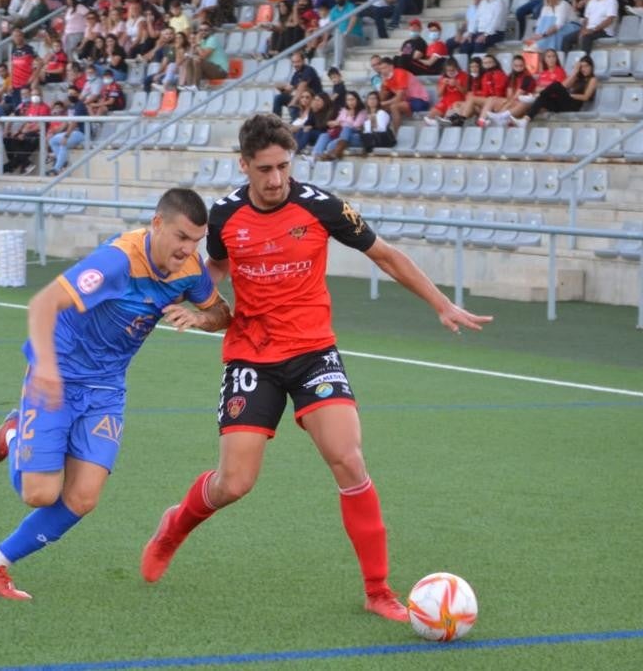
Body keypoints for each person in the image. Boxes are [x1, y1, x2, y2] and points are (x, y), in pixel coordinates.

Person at [138, 114, 492, 621]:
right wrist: (200, 309)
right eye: (265, 169)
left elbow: (386, 256)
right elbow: (211, 268)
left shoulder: (322, 206)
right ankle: (175, 526)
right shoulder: (224, 216)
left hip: (313, 353)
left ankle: (377, 591)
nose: (277, 179)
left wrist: (441, 303)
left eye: (284, 166)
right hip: (251, 355)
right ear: (244, 165)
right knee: (234, 484)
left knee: (348, 460)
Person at [0, 189, 232, 600]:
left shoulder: (191, 270)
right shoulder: (117, 261)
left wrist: (199, 317)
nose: (188, 249)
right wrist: (48, 370)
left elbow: (222, 314)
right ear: (157, 224)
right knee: (39, 494)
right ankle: (14, 433)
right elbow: (42, 304)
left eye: (196, 241)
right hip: (57, 372)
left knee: (83, 497)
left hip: (107, 388)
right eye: (181, 237)